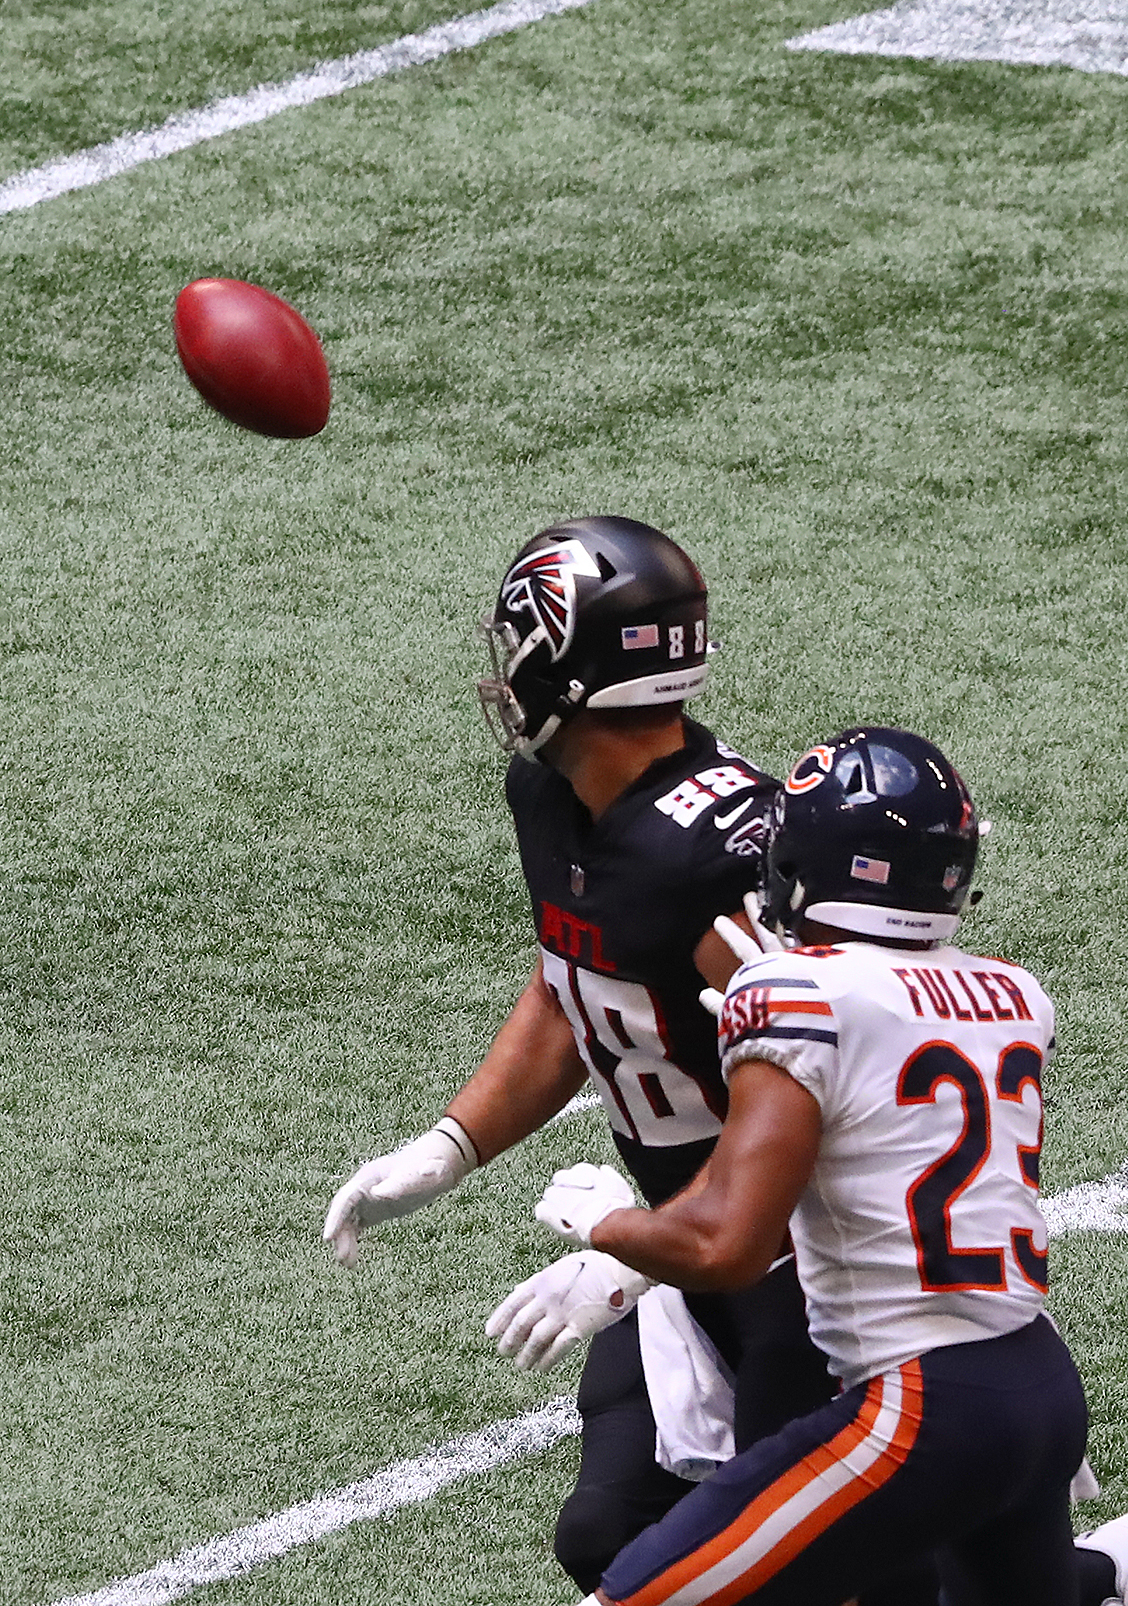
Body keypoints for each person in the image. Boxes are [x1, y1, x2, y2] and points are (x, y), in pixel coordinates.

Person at [321, 517, 841, 1594]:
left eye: (518, 642)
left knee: (815, 1579)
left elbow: (828, 1086)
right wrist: (451, 1144)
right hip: (684, 1247)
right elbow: (574, 987)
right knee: (605, 1539)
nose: (502, 671)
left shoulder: (714, 858)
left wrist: (640, 1248)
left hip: (800, 1266)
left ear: (570, 663)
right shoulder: (553, 796)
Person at [532, 727, 1090, 1604]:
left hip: (916, 1406)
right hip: (1041, 1392)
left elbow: (728, 1246)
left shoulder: (793, 994)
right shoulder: (1016, 995)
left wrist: (610, 1226)